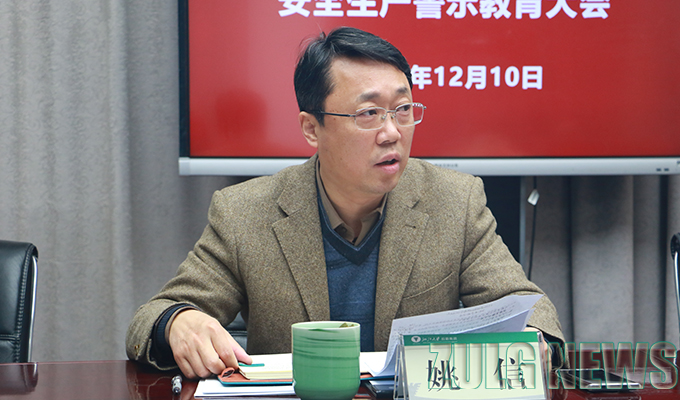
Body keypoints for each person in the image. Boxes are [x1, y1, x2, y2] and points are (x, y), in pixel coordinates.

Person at [126, 26, 564, 379]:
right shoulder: (245, 213)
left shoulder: (455, 200)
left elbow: (527, 304)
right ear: (311, 128)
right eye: (368, 113)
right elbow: (150, 318)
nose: (392, 132)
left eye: (403, 109)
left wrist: (535, 340)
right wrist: (177, 323)